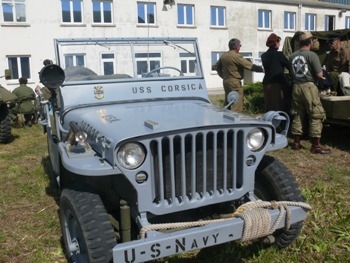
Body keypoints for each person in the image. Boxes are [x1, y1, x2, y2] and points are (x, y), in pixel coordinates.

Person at [289, 31, 330, 154]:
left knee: (297, 113)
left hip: (296, 86)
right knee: (316, 113)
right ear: (310, 41)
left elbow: (292, 73)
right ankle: (316, 146)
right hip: (308, 87)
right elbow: (319, 74)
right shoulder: (312, 55)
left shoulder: (292, 56)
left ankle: (296, 143)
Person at [215, 38, 264, 112]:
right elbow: (249, 65)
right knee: (236, 105)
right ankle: (236, 122)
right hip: (234, 82)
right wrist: (262, 69)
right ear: (236, 47)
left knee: (228, 102)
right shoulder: (236, 56)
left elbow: (217, 67)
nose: (240, 48)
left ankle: (227, 120)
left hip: (226, 81)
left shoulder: (224, 55)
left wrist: (223, 76)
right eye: (240, 46)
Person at [261, 33, 293, 112]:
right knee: (278, 106)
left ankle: (268, 122)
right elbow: (289, 65)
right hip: (276, 83)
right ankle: (279, 124)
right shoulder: (279, 55)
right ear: (275, 43)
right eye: (278, 42)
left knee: (268, 106)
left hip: (266, 83)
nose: (279, 44)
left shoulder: (264, 55)